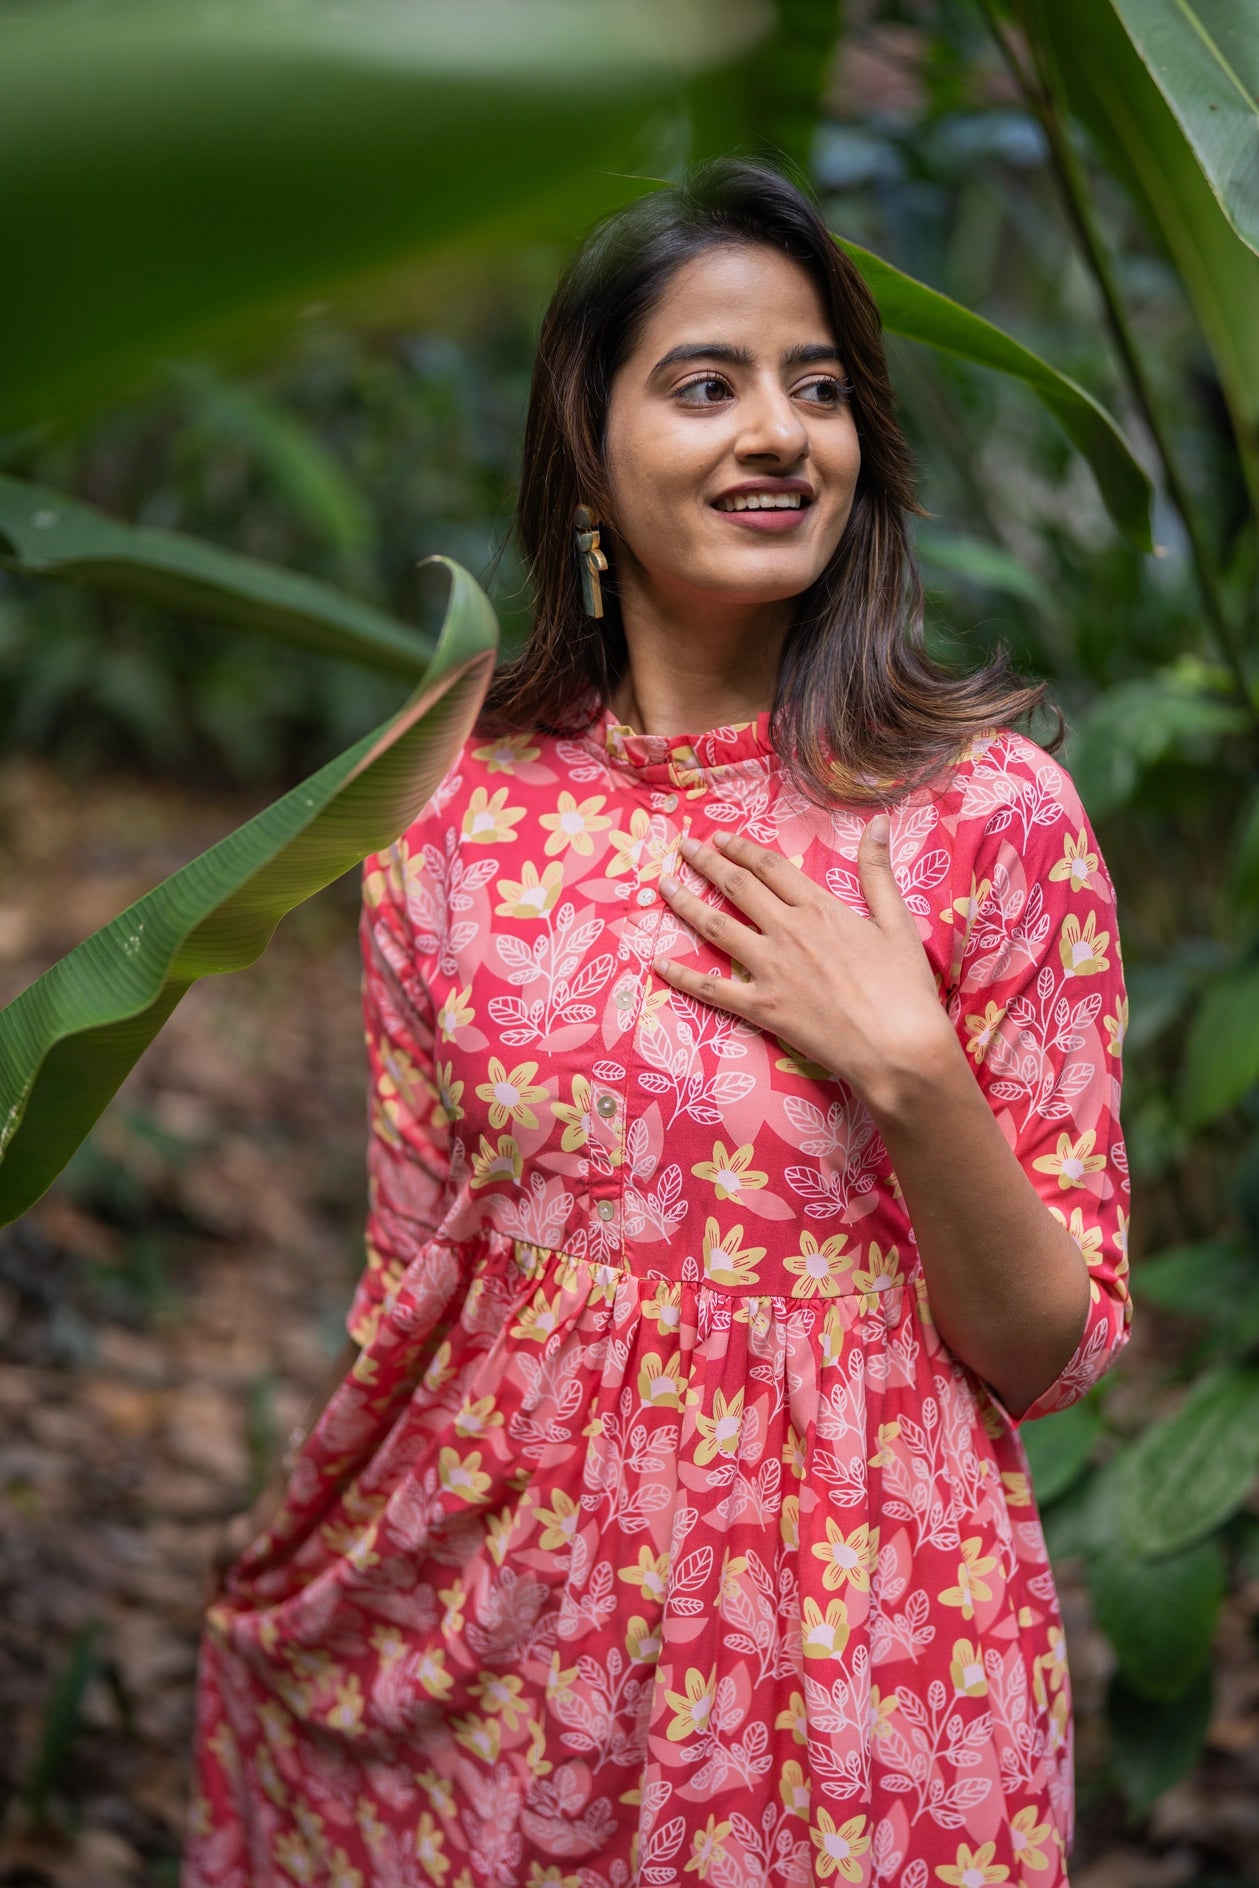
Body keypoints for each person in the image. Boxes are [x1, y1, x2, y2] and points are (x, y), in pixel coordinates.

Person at [185, 160, 1131, 1888]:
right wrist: (313, 1551)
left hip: (865, 1653)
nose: (779, 434)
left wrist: (912, 1074)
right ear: (587, 450)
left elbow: (1047, 1353)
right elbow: (417, 1288)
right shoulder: (452, 811)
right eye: (707, 384)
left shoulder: (989, 819)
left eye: (817, 387)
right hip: (522, 1651)